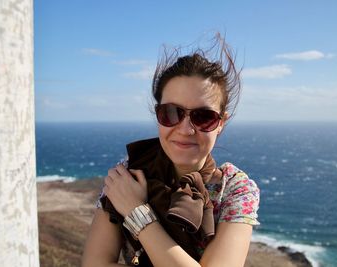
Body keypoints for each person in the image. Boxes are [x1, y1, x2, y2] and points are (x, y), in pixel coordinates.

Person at [82, 34, 260, 267]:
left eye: (203, 117)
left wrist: (137, 213)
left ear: (221, 123)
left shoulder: (235, 190)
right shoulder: (131, 171)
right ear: (158, 114)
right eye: (171, 113)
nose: (185, 129)